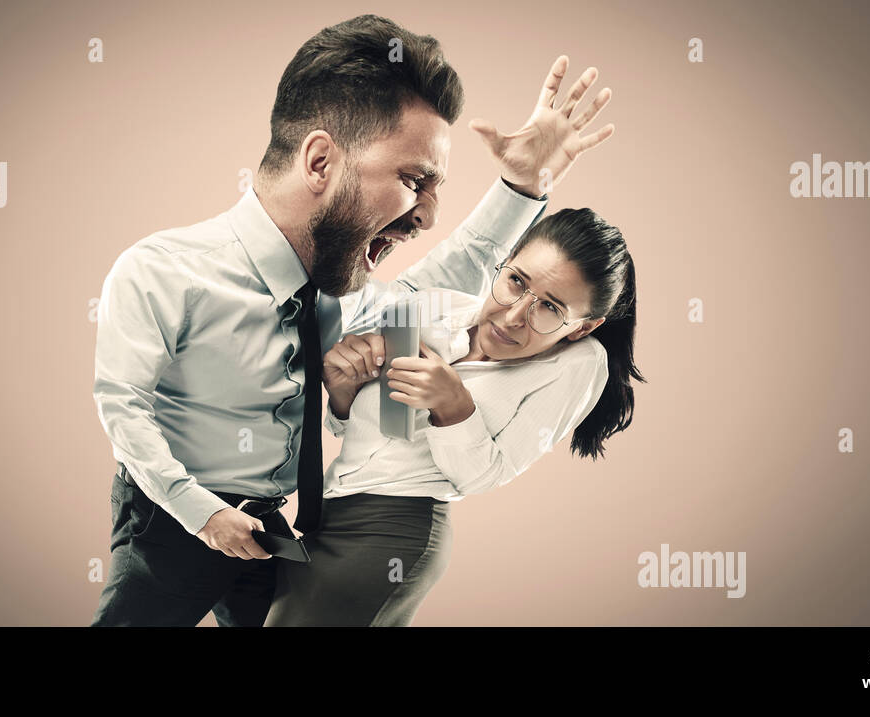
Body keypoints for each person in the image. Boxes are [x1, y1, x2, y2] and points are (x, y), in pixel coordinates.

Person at [90, 13, 616, 626]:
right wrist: (201, 512)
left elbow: (436, 286)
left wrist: (521, 187)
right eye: (413, 181)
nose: (426, 217)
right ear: (319, 162)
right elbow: (123, 404)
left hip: (269, 525)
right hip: (171, 518)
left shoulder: (338, 295)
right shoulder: (163, 270)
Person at [264, 207, 644, 626]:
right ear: (504, 263)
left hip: (396, 530)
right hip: (330, 514)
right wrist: (341, 388)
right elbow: (372, 432)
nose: (515, 316)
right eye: (516, 281)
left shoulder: (578, 363)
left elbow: (484, 475)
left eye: (550, 308)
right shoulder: (430, 308)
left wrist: (454, 405)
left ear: (583, 328)